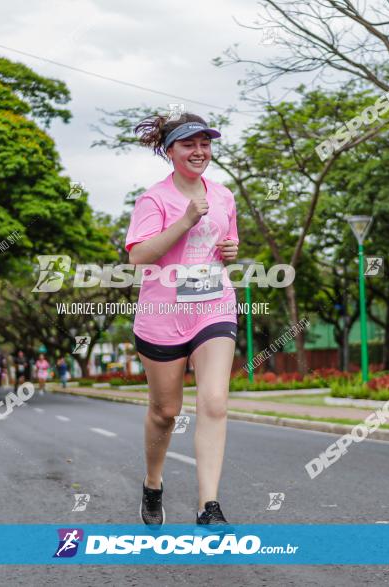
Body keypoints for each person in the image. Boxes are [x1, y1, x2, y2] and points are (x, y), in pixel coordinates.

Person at [127, 113, 239, 529]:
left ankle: (208, 506)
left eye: (205, 144)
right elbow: (138, 256)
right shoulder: (153, 200)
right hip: (161, 316)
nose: (199, 151)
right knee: (165, 412)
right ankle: (153, 483)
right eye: (189, 144)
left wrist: (230, 253)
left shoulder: (224, 196)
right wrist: (186, 220)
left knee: (214, 401)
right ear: (170, 151)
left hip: (214, 307)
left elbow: (228, 244)